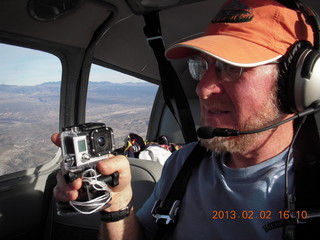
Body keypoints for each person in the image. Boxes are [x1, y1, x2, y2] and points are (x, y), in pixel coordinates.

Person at [52, 0, 316, 239]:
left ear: (294, 84)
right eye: (202, 66)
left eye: (232, 67)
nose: (203, 87)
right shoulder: (183, 163)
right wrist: (117, 202)